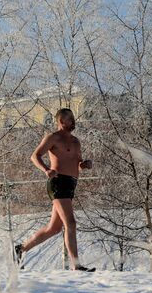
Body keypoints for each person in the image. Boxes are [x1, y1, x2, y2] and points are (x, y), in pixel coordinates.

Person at [15, 108, 95, 271]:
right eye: (70, 119)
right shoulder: (53, 138)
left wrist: (84, 165)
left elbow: (77, 164)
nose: (73, 121)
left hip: (71, 184)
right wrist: (46, 170)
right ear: (61, 121)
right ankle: (76, 265)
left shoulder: (75, 141)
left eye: (73, 119)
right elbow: (35, 156)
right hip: (58, 183)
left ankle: (21, 248)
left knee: (54, 228)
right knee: (70, 223)